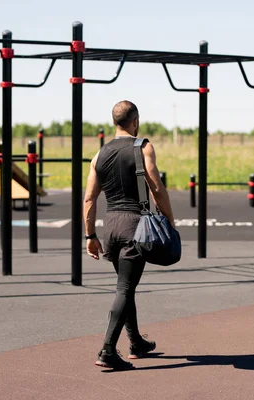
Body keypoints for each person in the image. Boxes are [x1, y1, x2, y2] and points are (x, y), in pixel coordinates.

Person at [83, 100, 176, 370]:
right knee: (124, 288)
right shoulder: (143, 146)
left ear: (115, 122)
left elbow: (89, 199)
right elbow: (156, 187)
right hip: (136, 226)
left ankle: (136, 342)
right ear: (135, 121)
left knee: (127, 285)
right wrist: (169, 220)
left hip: (111, 226)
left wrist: (90, 235)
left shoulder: (98, 155)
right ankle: (107, 351)